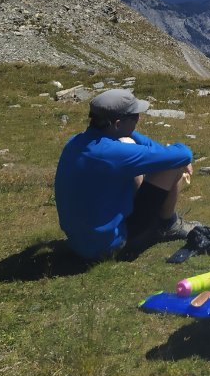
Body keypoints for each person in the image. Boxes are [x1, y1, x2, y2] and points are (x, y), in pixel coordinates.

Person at [55, 88, 199, 260]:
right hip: (111, 246)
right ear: (117, 124)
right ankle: (168, 225)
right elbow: (184, 154)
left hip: (80, 243)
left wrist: (161, 151)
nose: (139, 120)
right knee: (174, 165)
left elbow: (140, 142)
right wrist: (173, 155)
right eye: (135, 117)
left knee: (134, 144)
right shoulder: (112, 154)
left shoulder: (77, 142)